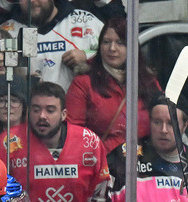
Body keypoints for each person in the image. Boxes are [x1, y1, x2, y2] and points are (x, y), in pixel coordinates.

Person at [0, 80, 111, 202]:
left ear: (63, 114)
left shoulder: (90, 143)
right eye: (36, 109)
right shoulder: (9, 142)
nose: (42, 116)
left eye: (50, 110)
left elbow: (101, 199)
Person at [107, 94, 188, 202]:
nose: (163, 130)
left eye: (171, 123)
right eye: (157, 122)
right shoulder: (125, 157)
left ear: (185, 125)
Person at [65, 17, 159, 155]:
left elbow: (164, 121)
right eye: (106, 42)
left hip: (145, 162)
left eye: (120, 43)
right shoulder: (84, 83)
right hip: (102, 163)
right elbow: (73, 133)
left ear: (132, 47)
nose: (112, 49)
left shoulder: (148, 82)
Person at [0, 0, 101, 91]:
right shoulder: (5, 33)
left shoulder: (86, 21)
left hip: (77, 109)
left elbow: (114, 63)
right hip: (31, 110)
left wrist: (87, 60)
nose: (32, 0)